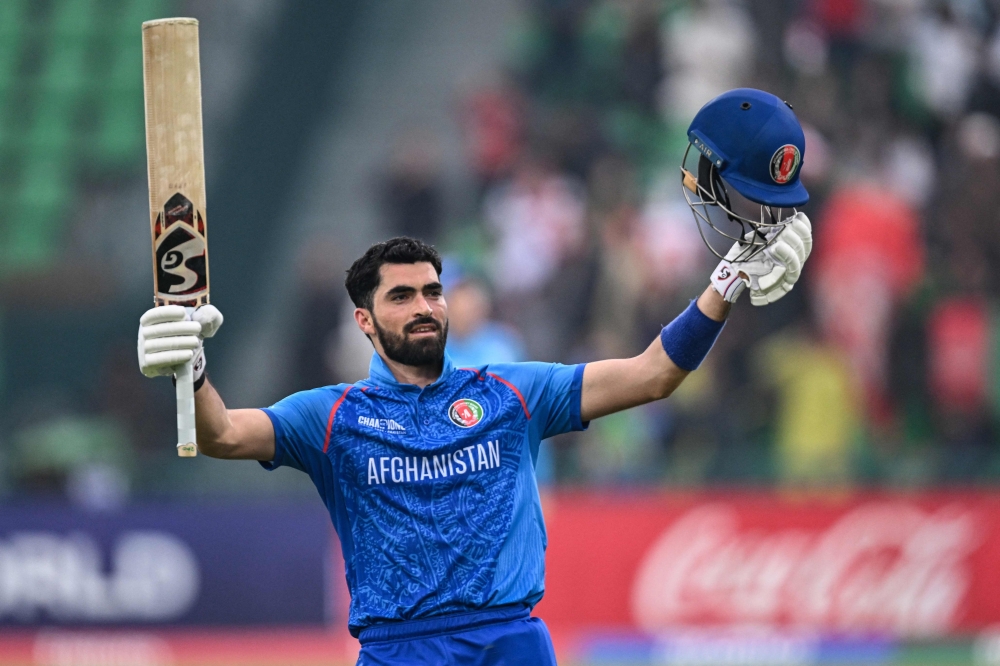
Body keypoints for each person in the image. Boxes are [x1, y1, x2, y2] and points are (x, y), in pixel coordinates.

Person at [135, 89, 812, 665]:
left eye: (433, 291)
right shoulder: (332, 415)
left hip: (511, 641)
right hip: (402, 648)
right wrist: (189, 370)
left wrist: (725, 284)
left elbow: (653, 374)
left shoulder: (511, 392)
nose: (425, 306)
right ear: (365, 323)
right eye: (401, 297)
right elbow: (221, 433)